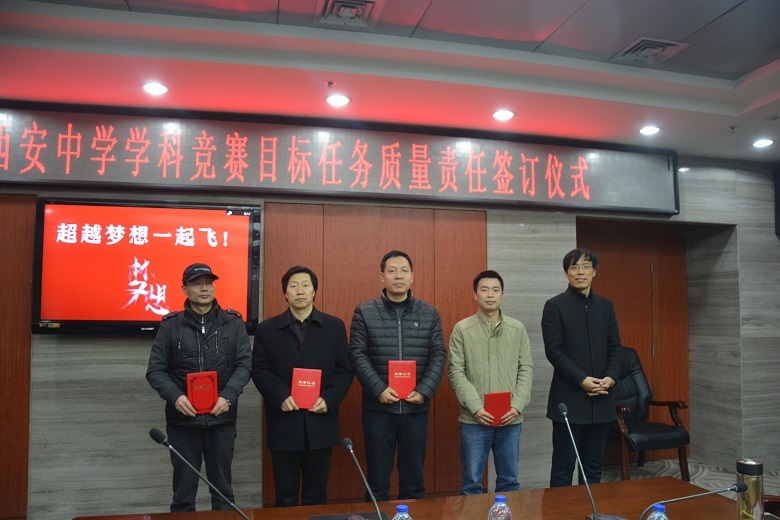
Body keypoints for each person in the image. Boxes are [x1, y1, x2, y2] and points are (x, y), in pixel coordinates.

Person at [146, 263, 252, 511]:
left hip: (221, 421)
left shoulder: (233, 323)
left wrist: (228, 395)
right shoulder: (171, 325)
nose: (205, 288)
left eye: (209, 282)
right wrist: (175, 396)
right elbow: (155, 371)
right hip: (183, 424)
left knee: (223, 494)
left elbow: (245, 365)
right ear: (184, 289)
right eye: (197, 283)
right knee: (183, 496)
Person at [349, 250, 446, 501]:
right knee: (377, 481)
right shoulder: (364, 312)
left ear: (412, 276)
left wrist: (424, 390)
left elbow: (438, 355)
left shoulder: (429, 313)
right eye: (392, 271)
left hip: (415, 410)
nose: (398, 276)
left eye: (404, 271)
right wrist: (378, 389)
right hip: (378, 410)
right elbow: (357, 354)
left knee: (414, 482)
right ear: (382, 276)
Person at [252, 266, 353, 507]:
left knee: (316, 495)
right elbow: (259, 369)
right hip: (284, 422)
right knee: (285, 496)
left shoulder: (334, 327)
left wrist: (329, 398)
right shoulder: (267, 329)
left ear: (314, 291)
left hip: (321, 422)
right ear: (285, 293)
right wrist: (280, 395)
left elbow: (345, 369)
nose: (300, 291)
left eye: (306, 285)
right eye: (294, 286)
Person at [541, 248, 622, 487]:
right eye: (574, 267)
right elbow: (554, 351)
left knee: (593, 467)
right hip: (569, 401)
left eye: (586, 267)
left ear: (594, 272)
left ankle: (591, 508)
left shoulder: (606, 306)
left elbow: (615, 347)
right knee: (563, 467)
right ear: (566, 273)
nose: (580, 272)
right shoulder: (555, 306)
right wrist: (582, 380)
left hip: (602, 398)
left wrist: (610, 378)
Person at [448, 270, 534, 495]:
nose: (490, 295)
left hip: (510, 419)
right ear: (475, 295)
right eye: (484, 290)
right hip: (474, 420)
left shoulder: (517, 329)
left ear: (502, 294)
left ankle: (506, 513)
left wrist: (517, 406)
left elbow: (526, 370)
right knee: (472, 483)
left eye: (495, 290)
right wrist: (476, 408)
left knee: (509, 481)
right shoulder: (462, 329)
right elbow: (456, 372)